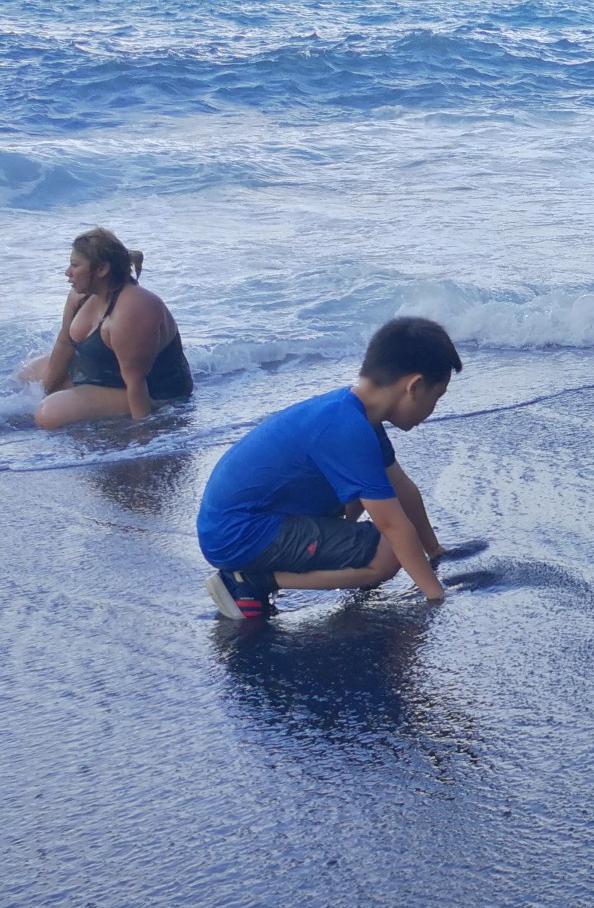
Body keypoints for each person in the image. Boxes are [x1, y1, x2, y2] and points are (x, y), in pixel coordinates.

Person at [196, 317, 461, 621]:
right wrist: (436, 595)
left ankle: (343, 562)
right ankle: (250, 581)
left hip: (245, 521)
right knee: (389, 552)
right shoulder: (348, 429)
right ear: (414, 386)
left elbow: (403, 490)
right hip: (238, 533)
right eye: (436, 397)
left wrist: (435, 551)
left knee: (371, 488)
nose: (434, 409)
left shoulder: (355, 415)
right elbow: (393, 526)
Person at [20, 227, 193, 429]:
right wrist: (48, 389)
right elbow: (65, 342)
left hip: (153, 393)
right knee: (26, 373)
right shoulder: (80, 295)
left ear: (102, 269)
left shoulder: (133, 310)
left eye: (75, 265)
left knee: (47, 414)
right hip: (102, 373)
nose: (68, 273)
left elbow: (136, 382)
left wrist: (143, 440)